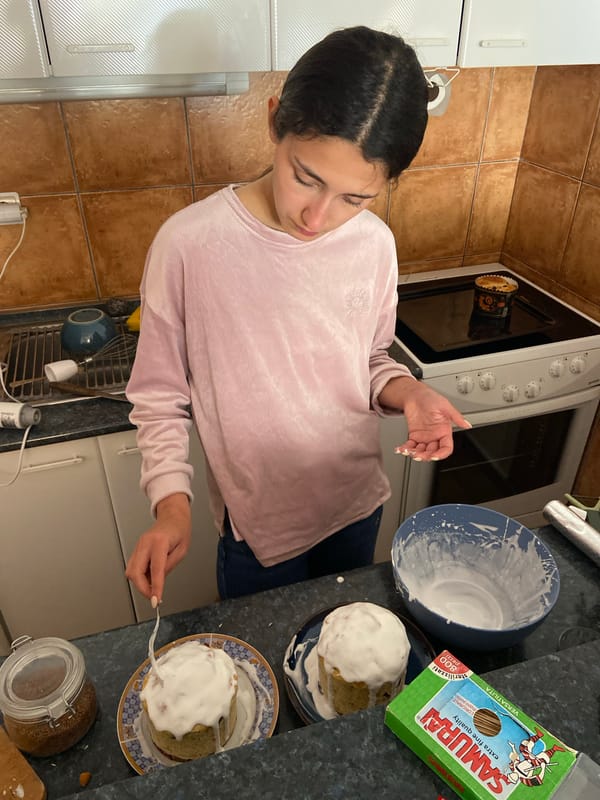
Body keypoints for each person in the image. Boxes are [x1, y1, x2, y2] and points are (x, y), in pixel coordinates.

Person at [125, 26, 471, 603]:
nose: (317, 216)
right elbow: (159, 397)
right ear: (273, 122)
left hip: (356, 507)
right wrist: (171, 508)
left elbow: (369, 360)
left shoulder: (374, 245)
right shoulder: (190, 244)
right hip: (259, 534)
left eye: (355, 198)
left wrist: (411, 395)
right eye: (305, 177)